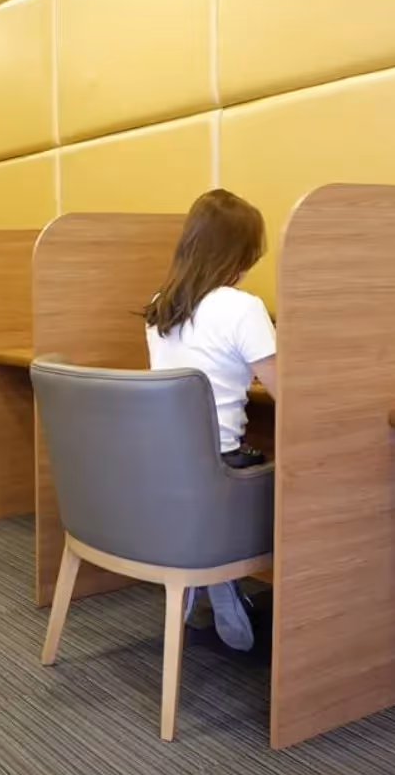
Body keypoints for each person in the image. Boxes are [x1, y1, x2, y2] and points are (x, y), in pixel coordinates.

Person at [144, 188, 277, 652]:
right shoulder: (243, 307)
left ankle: (212, 573)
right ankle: (224, 570)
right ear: (239, 252)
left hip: (165, 471)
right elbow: (290, 391)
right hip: (220, 476)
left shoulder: (161, 304)